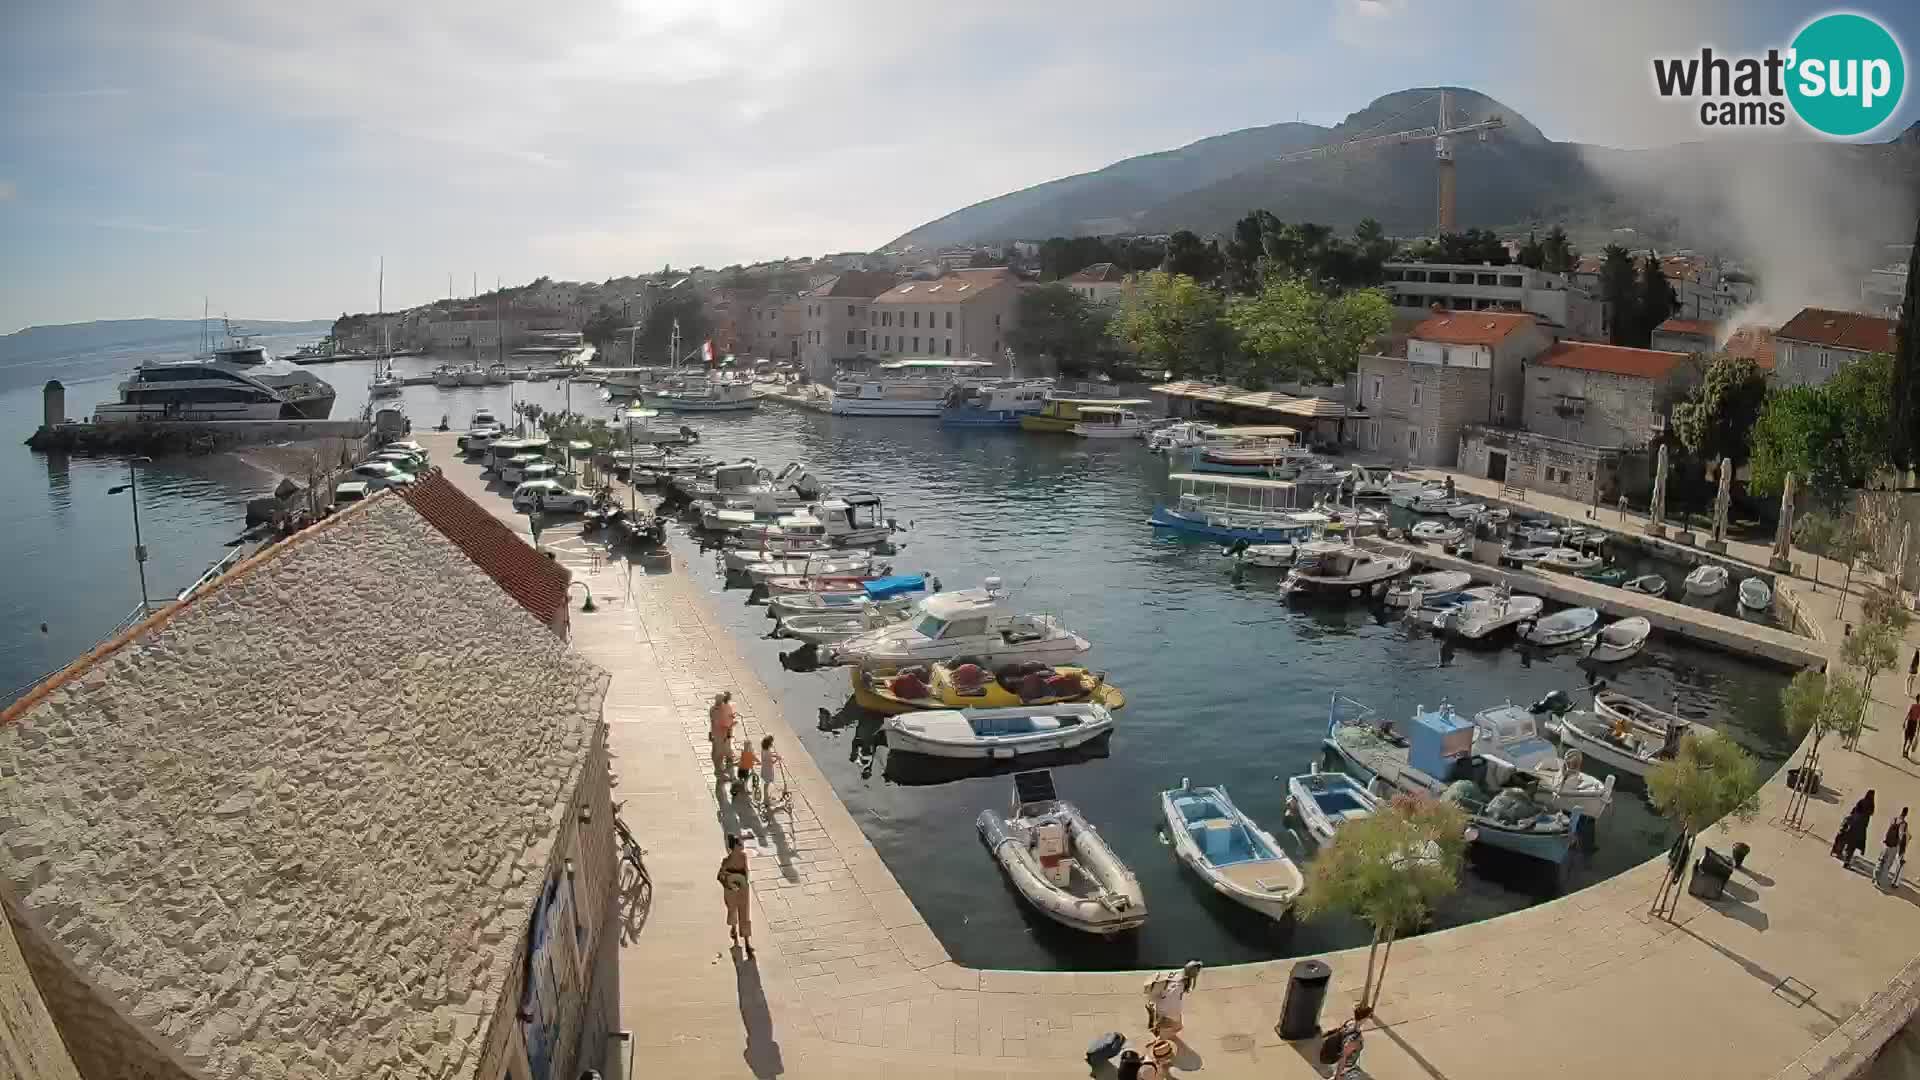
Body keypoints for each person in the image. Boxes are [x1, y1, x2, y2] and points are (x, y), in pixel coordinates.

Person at [1142, 960, 1202, 1037]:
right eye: (1196, 971)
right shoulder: (1179, 981)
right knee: (1168, 1029)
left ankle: (1157, 1029)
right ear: (1190, 970)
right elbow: (1169, 995)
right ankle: (1156, 1032)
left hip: (1171, 1009)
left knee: (1176, 1027)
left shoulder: (1184, 978)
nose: (1197, 973)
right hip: (1168, 1010)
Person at [717, 833, 754, 957]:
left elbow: (746, 872)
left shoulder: (744, 857)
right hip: (731, 890)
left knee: (745, 915)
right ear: (734, 847)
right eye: (739, 844)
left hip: (743, 889)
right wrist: (730, 884)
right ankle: (733, 927)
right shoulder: (726, 861)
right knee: (733, 911)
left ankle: (747, 942)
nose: (742, 846)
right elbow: (720, 876)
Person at [1837, 790, 1876, 867]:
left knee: (1849, 842)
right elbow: (1871, 813)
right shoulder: (1871, 805)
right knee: (1853, 845)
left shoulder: (1861, 801)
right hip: (1861, 828)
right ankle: (1847, 861)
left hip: (1853, 825)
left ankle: (1844, 856)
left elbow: (1854, 810)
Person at [1879, 809, 1911, 890]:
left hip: (1887, 843)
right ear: (1906, 814)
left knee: (1882, 860)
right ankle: (1887, 881)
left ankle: (1877, 876)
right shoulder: (1904, 824)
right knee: (1890, 863)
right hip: (1894, 846)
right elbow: (1900, 836)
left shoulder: (1894, 819)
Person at [708, 692, 736, 778]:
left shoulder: (712, 709)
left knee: (716, 750)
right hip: (721, 735)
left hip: (715, 733)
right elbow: (724, 724)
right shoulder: (720, 710)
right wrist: (732, 723)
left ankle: (722, 766)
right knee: (719, 753)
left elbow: (714, 722)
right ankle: (719, 770)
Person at [758, 734, 779, 803]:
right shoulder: (768, 752)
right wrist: (777, 759)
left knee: (766, 783)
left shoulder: (763, 750)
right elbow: (772, 762)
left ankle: (766, 796)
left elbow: (768, 755)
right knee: (767, 784)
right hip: (768, 769)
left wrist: (774, 754)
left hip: (764, 768)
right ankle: (765, 799)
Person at [1905, 696, 1920, 760]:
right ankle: (1905, 750)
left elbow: (1918, 718)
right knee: (1909, 738)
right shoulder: (1914, 706)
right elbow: (1909, 714)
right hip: (1912, 723)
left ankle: (1905, 751)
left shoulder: (1915, 706)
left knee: (1909, 738)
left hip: (1912, 723)